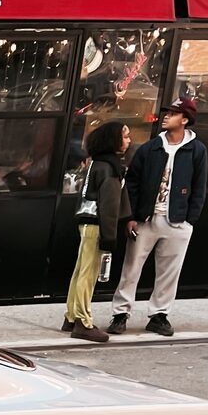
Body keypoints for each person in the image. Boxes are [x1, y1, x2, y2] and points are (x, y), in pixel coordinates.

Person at [110, 97, 208, 336]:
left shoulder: (197, 150)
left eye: (173, 113)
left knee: (169, 271)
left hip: (177, 220)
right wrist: (131, 216)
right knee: (131, 268)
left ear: (185, 120)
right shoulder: (150, 148)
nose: (166, 116)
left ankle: (159, 315)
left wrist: (189, 220)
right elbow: (131, 183)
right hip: (145, 219)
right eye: (167, 112)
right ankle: (120, 314)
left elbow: (200, 187)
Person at [66, 121, 131, 342]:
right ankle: (83, 323)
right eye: (125, 136)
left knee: (80, 271)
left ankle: (71, 316)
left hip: (86, 221)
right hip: (97, 225)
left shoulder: (96, 164)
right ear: (113, 140)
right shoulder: (110, 168)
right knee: (89, 274)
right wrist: (110, 237)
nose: (128, 141)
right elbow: (109, 205)